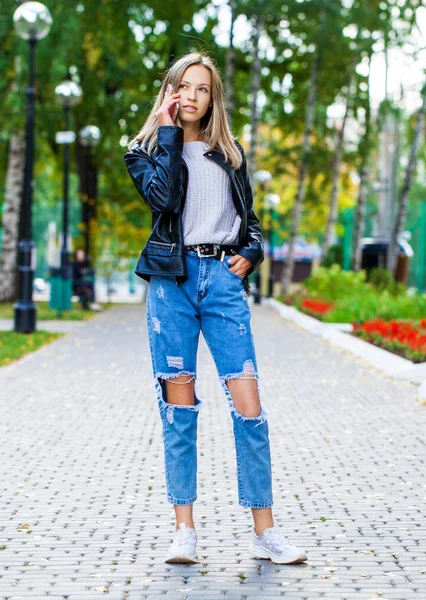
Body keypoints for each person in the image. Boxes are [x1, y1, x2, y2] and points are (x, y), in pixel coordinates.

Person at [123, 52, 306, 565]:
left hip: (222, 285)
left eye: (202, 89)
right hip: (171, 286)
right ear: (169, 92)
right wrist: (166, 136)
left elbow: (248, 220)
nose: (192, 96)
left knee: (250, 407)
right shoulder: (144, 151)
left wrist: (249, 253)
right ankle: (184, 530)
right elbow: (166, 200)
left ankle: (264, 531)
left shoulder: (231, 153)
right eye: (184, 86)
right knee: (179, 413)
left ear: (212, 98)